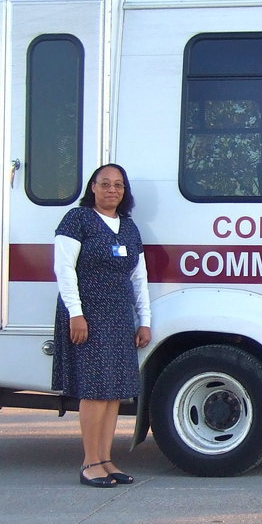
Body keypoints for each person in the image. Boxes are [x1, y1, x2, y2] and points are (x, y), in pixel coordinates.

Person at [52, 164, 152, 488]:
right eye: (105, 184)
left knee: (112, 394)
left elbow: (139, 277)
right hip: (89, 314)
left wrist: (145, 320)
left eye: (119, 185)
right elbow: (64, 270)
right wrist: (75, 314)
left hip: (120, 315)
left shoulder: (129, 227)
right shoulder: (77, 219)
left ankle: (106, 459)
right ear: (93, 187)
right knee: (94, 391)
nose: (112, 190)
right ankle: (89, 462)